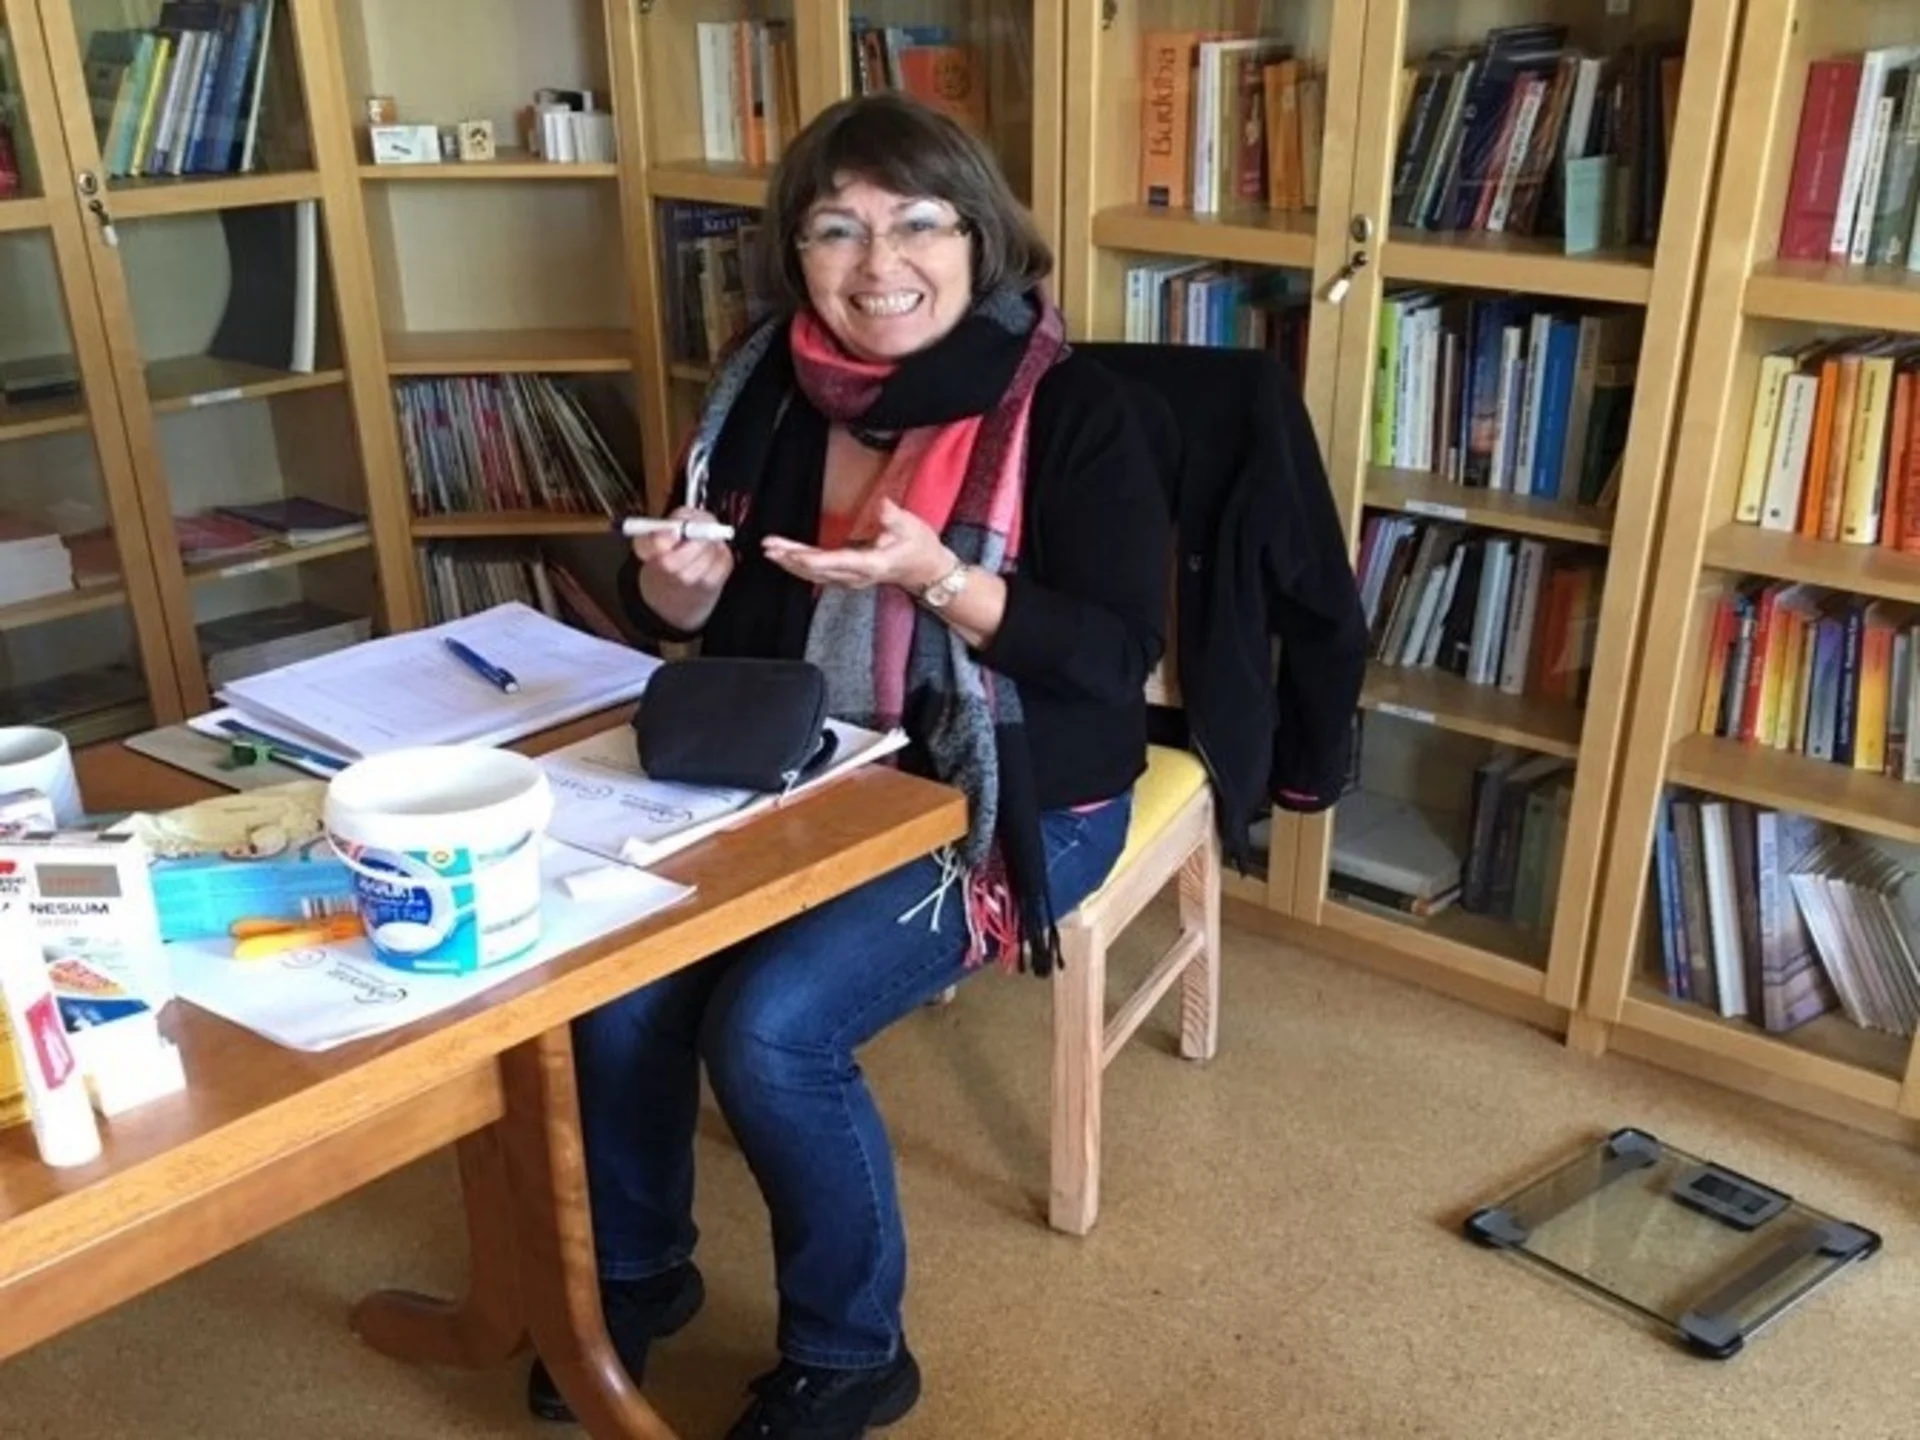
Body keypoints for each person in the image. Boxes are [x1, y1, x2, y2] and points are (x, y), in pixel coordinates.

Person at [529, 92, 1170, 1439]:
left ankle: (850, 1351)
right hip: (800, 764)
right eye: (838, 228)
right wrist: (680, 590)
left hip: (1015, 793)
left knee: (770, 1027)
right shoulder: (767, 384)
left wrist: (948, 585)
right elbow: (703, 629)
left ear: (978, 236)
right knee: (616, 987)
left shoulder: (1076, 408)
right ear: (796, 253)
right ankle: (638, 1277)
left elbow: (1117, 662)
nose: (880, 263)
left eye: (916, 221)